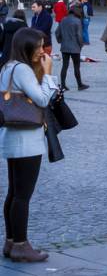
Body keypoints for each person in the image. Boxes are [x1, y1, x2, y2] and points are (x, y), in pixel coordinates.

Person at [1, 28, 59, 262]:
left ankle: (11, 241)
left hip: (12, 137)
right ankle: (21, 245)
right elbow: (42, 98)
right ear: (26, 47)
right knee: (22, 195)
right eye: (38, 46)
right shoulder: (23, 69)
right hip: (27, 141)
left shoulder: (7, 66)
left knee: (14, 193)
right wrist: (48, 74)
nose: (41, 50)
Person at [56, 2, 87, 91]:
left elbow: (57, 32)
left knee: (64, 66)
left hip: (64, 47)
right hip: (75, 48)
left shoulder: (63, 20)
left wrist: (60, 41)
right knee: (76, 66)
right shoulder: (77, 21)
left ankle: (63, 85)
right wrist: (81, 45)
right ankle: (79, 85)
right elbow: (79, 36)